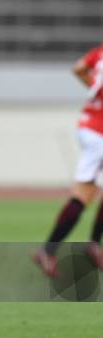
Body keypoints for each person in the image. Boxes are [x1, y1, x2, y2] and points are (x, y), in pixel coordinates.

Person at [33, 44, 103, 277]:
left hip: (89, 125)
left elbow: (79, 68)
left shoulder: (100, 52)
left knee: (86, 192)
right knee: (83, 193)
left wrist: (94, 88)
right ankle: (82, 245)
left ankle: (88, 244)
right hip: (99, 132)